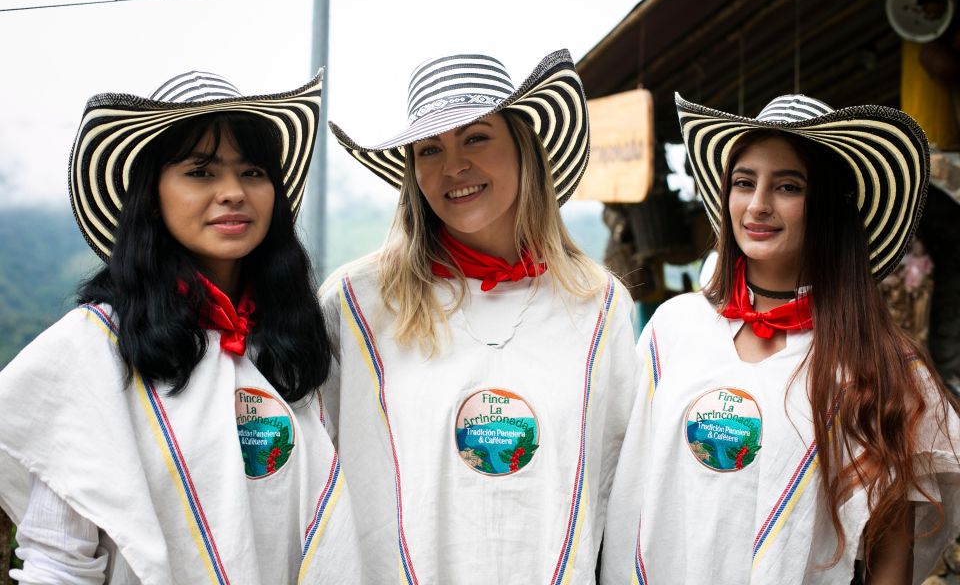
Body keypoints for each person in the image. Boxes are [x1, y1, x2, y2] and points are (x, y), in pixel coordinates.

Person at [0, 70, 360, 583]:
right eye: (200, 172)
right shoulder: (93, 348)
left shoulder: (294, 343)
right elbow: (60, 561)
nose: (233, 192)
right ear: (150, 195)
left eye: (253, 171)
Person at [601, 93, 960, 584]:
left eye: (787, 186)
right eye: (744, 183)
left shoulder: (877, 360)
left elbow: (888, 551)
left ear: (830, 205)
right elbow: (626, 480)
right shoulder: (673, 329)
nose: (758, 205)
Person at [321, 50, 642, 583]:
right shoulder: (356, 303)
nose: (453, 166)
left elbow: (620, 485)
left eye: (476, 137)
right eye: (430, 149)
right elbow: (313, 481)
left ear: (524, 147)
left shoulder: (598, 303)